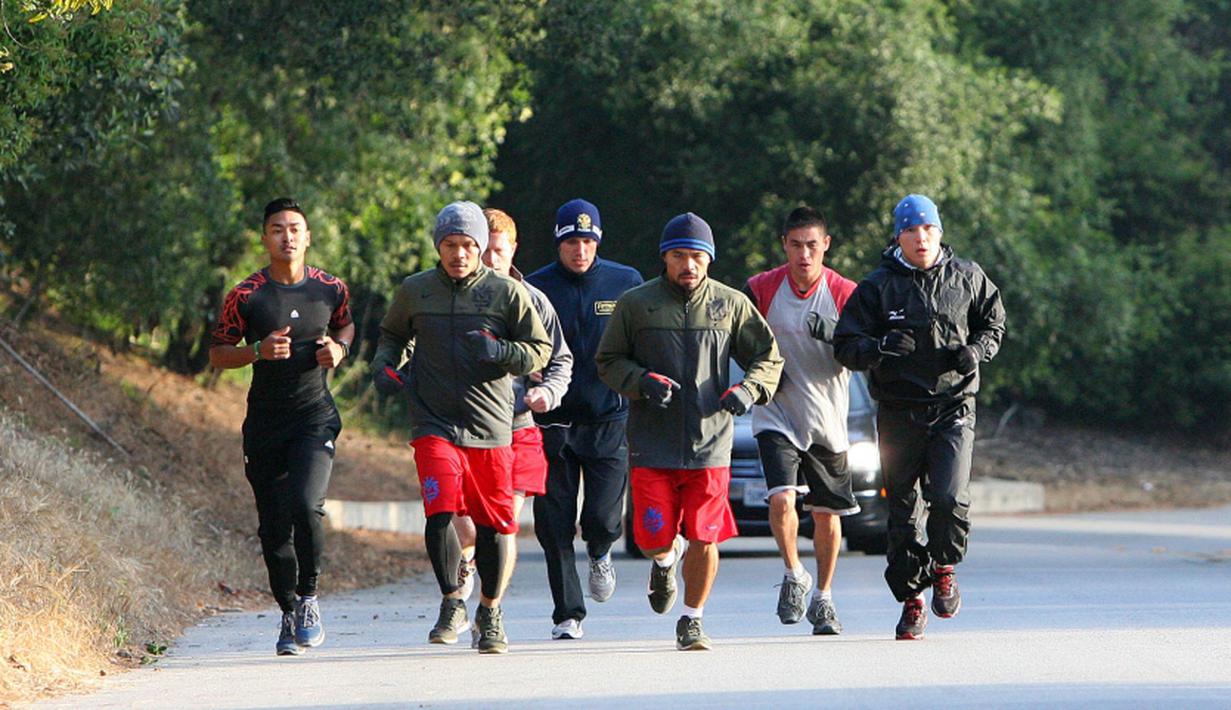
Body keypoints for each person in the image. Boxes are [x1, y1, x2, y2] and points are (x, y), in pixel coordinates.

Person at [370, 201, 551, 654]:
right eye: (449, 245)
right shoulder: (416, 290)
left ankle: (489, 611)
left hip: (490, 424)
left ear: (480, 247)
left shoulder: (507, 294)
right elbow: (391, 336)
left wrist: (499, 352)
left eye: (468, 245)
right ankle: (452, 601)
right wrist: (385, 368)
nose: (459, 254)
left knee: (493, 524)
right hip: (433, 419)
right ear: (438, 246)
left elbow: (539, 349)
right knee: (441, 510)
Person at [596, 212, 782, 650]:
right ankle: (663, 561)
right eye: (679, 256)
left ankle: (693, 619)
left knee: (704, 534)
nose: (688, 265)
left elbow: (769, 357)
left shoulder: (731, 304)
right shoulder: (636, 304)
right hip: (651, 443)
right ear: (665, 258)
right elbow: (609, 361)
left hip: (710, 444)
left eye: (697, 256)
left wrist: (749, 389)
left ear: (709, 260)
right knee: (652, 535)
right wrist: (640, 381)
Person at [833, 194, 1005, 640]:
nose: (920, 237)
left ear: (940, 233)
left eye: (928, 229)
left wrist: (976, 352)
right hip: (898, 412)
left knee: (947, 498)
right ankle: (912, 600)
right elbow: (845, 345)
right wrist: (878, 348)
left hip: (953, 407)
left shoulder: (967, 276)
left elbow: (994, 323)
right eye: (911, 230)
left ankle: (944, 567)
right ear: (898, 237)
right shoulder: (876, 287)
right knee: (904, 513)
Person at [208, 197, 354, 656]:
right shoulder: (246, 295)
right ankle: (288, 610)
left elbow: (348, 327)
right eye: (277, 229)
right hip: (266, 423)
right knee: (273, 528)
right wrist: (256, 351)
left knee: (307, 506)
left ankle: (309, 598)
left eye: (295, 229)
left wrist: (340, 350)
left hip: (315, 417)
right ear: (264, 237)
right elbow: (217, 354)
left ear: (308, 237)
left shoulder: (331, 289)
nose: (287, 236)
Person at [525, 199, 643, 640]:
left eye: (588, 241)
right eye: (572, 242)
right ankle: (567, 614)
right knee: (554, 524)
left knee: (602, 518)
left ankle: (600, 551)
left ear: (598, 241)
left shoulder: (625, 281)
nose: (580, 250)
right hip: (551, 421)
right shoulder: (535, 287)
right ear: (559, 243)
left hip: (608, 417)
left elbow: (641, 340)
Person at [449, 208, 574, 612]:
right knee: (467, 527)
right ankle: (467, 559)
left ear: (513, 250)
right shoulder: (449, 295)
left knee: (503, 523)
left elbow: (560, 360)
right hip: (461, 427)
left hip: (518, 425)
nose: (488, 261)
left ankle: (491, 607)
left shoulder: (534, 300)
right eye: (482, 251)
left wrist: (548, 394)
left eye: (497, 252)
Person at [743, 206, 858, 635]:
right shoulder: (761, 288)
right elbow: (739, 341)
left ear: (826, 244)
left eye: (812, 245)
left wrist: (840, 337)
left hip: (827, 417)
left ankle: (824, 599)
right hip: (777, 413)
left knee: (827, 515)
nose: (804, 255)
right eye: (796, 245)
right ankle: (794, 574)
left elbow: (867, 353)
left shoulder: (846, 293)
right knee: (781, 500)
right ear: (784, 246)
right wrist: (759, 378)